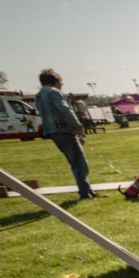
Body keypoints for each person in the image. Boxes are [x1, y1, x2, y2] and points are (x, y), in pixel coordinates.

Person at [35, 69, 97, 199]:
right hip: (64, 130)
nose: (62, 84)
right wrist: (78, 126)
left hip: (52, 131)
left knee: (74, 161)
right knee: (79, 162)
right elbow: (65, 109)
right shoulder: (54, 92)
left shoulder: (39, 95)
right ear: (55, 81)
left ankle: (87, 190)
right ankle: (85, 192)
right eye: (60, 81)